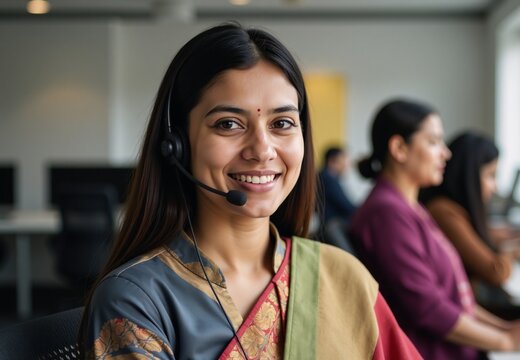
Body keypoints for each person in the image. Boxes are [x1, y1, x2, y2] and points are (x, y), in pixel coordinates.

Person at [79, 23, 421, 359]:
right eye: (229, 124)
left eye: (282, 124)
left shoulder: (343, 278)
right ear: (178, 144)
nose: (262, 150)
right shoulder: (136, 301)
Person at [349, 99, 520, 360]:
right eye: (434, 142)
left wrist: (506, 328)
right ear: (399, 148)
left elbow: (454, 298)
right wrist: (505, 341)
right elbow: (428, 308)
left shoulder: (411, 208)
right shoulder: (386, 213)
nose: (445, 153)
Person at [420, 131, 520, 287]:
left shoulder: (451, 207)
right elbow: (495, 271)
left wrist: (506, 237)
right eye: (490, 175)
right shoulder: (444, 212)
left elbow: (471, 236)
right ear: (468, 177)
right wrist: (516, 252)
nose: (494, 187)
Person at [317, 146, 357, 225]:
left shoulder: (328, 177)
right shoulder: (328, 179)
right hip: (332, 224)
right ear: (332, 161)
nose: (345, 165)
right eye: (343, 160)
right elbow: (345, 205)